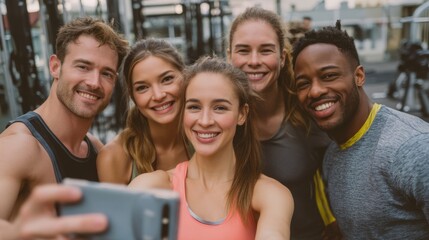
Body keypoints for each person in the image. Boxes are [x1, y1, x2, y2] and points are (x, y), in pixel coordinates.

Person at [129, 56, 294, 240]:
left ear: (242, 114)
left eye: (220, 108)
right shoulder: (150, 187)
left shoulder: (270, 194)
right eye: (194, 107)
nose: (205, 121)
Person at [292, 20, 429, 239]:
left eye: (329, 76)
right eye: (303, 83)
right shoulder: (332, 155)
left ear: (359, 76)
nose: (315, 91)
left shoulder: (413, 148)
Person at [0, 16, 129, 234]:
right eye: (83, 66)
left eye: (106, 73)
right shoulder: (19, 147)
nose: (94, 82)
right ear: (55, 66)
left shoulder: (96, 149)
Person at [227, 6, 338, 240]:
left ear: (282, 57)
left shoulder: (309, 112)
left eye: (266, 50)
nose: (254, 61)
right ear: (229, 56)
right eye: (243, 51)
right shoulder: (215, 118)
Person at [97, 38, 191, 184]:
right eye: (142, 87)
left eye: (167, 79)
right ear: (133, 96)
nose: (158, 95)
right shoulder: (114, 157)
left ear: (185, 77)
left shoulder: (205, 137)